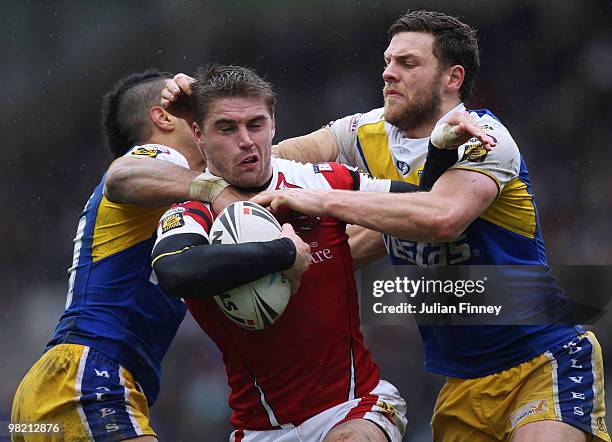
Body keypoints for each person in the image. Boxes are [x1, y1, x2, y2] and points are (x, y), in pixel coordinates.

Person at [247, 10, 609, 442]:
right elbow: (277, 161)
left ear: (452, 77)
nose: (388, 73)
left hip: (542, 360)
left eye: (408, 63)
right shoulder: (365, 132)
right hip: (461, 383)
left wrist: (322, 198)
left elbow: (442, 218)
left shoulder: (486, 136)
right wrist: (217, 157)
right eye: (388, 61)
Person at [151, 63, 469, 442]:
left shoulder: (321, 179)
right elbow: (174, 272)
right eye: (226, 128)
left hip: (355, 406)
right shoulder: (191, 212)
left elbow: (418, 206)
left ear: (273, 125)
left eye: (255, 124)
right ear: (199, 136)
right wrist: (282, 254)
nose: (246, 140)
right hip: (258, 430)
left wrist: (438, 154)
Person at [10, 69, 218, 441]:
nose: (208, 122)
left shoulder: (181, 197)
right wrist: (217, 187)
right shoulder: (160, 157)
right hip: (88, 377)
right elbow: (121, 175)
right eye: (196, 111)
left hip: (65, 384)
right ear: (163, 117)